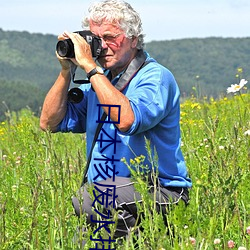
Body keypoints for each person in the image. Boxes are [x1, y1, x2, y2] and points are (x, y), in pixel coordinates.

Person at [40, 0, 192, 245]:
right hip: (114, 197)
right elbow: (49, 122)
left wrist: (91, 68)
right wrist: (66, 70)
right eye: (96, 39)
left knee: (91, 197)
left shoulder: (155, 77)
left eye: (110, 37)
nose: (102, 47)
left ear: (133, 39)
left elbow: (127, 121)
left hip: (161, 191)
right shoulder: (98, 83)